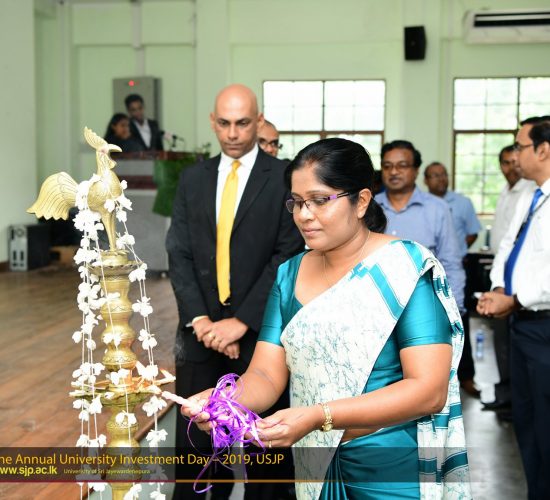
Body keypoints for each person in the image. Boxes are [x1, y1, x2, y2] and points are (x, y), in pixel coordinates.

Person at [184, 138, 471, 500]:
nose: (304, 215)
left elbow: (428, 391)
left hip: (390, 470)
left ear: (361, 201)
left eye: (320, 200)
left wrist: (319, 416)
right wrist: (223, 400)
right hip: (315, 466)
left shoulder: (405, 269)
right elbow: (266, 375)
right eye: (296, 202)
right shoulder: (289, 275)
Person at [166, 84, 304, 499]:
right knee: (194, 450)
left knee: (265, 453)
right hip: (201, 334)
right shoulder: (192, 179)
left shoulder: (283, 178)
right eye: (224, 123)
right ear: (212, 122)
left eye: (242, 123)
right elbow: (179, 253)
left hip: (261, 336)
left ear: (258, 122)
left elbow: (286, 254)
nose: (232, 133)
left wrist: (241, 321)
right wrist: (203, 322)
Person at [477, 116, 550, 500]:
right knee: (527, 420)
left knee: (547, 424)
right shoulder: (529, 195)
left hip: (544, 324)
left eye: (521, 146)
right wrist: (499, 289)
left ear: (543, 150)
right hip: (522, 323)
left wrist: (516, 298)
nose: (515, 154)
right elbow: (507, 246)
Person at [374, 141, 475, 396]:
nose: (393, 172)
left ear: (416, 170)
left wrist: (454, 309)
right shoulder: (369, 207)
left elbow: (451, 262)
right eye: (387, 166)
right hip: (378, 311)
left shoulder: (437, 208)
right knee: (382, 388)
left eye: (402, 165)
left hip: (425, 311)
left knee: (424, 388)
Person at [483, 145, 534, 415]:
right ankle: (504, 395)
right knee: (501, 341)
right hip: (500, 275)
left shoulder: (531, 190)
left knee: (516, 344)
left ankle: (514, 399)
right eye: (506, 162)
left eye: (516, 160)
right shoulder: (505, 190)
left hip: (521, 284)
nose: (512, 167)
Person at [424, 161, 482, 398]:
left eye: (443, 174)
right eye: (434, 175)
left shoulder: (463, 202)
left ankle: (466, 377)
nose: (440, 179)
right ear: (425, 180)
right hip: (429, 274)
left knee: (460, 323)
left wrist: (455, 249)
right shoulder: (426, 206)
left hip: (456, 269)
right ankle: (434, 380)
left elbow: (472, 232)